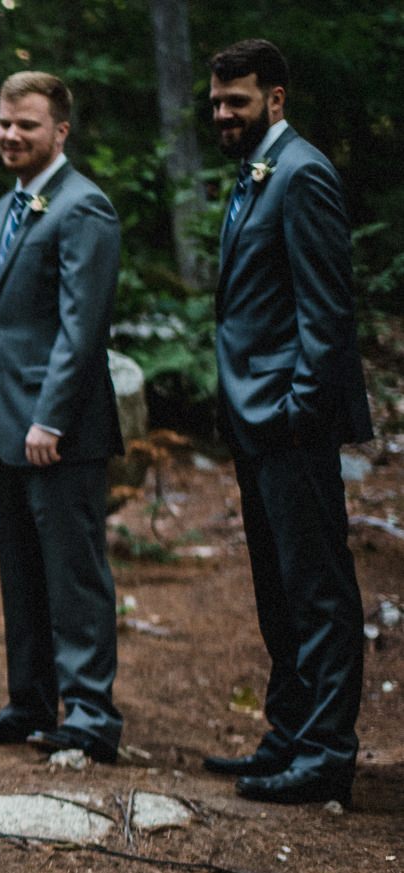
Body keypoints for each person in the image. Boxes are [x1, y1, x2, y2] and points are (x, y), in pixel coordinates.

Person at [202, 40, 370, 806]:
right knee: (277, 588)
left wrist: (301, 411)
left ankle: (328, 751)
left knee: (318, 591)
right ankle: (289, 732)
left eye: (237, 100)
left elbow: (327, 311)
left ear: (275, 97)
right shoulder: (255, 172)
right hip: (255, 419)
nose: (222, 114)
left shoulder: (301, 173)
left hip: (290, 420)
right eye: (215, 101)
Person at [0, 71, 124, 766]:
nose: (10, 135)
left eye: (26, 124)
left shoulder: (84, 208)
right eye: (4, 122)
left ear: (60, 131)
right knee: (21, 569)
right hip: (0, 421)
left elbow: (81, 329)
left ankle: (90, 711)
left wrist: (49, 419)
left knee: (73, 572)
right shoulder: (2, 212)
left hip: (61, 430)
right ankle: (30, 700)